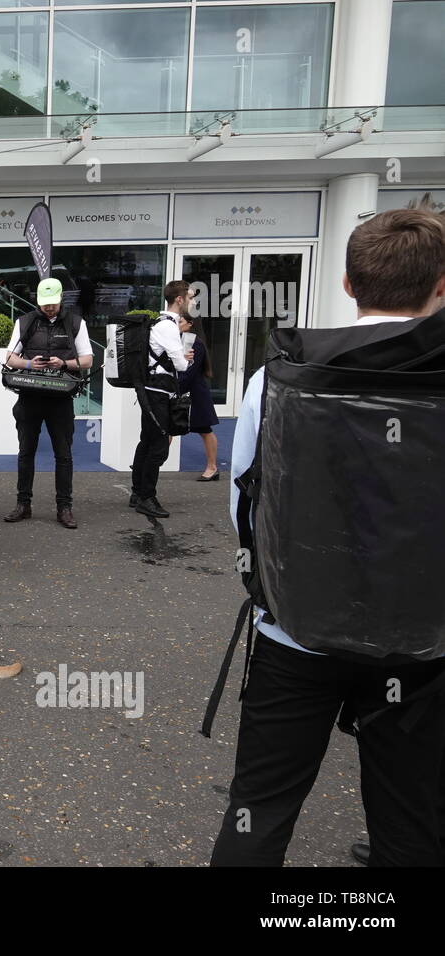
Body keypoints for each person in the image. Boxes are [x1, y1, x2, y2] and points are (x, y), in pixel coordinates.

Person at [211, 208, 445, 867]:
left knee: (259, 808)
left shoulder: (280, 377)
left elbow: (246, 504)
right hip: (422, 645)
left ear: (346, 283)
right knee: (411, 821)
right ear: (442, 285)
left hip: (298, 628)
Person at [1, 277, 93, 529]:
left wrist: (63, 364)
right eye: (44, 304)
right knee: (25, 452)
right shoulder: (26, 321)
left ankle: (64, 507)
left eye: (52, 304)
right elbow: (9, 357)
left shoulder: (75, 322)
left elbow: (87, 360)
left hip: (61, 398)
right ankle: (23, 504)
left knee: (63, 454)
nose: (49, 308)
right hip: (29, 396)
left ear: (61, 299)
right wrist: (30, 364)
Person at [129, 281, 193, 519]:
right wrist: (187, 359)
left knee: (147, 441)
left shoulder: (162, 323)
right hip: (157, 391)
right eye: (191, 297)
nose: (192, 302)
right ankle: (147, 497)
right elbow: (180, 365)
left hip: (151, 389)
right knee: (157, 446)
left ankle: (137, 493)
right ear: (179, 299)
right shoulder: (168, 327)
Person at [175, 312, 220, 480]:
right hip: (183, 390)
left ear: (190, 323)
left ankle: (212, 467)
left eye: (180, 321)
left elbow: (189, 371)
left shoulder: (195, 343)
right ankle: (153, 463)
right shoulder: (179, 340)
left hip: (196, 394)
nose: (176, 324)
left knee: (204, 430)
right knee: (168, 428)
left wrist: (175, 387)